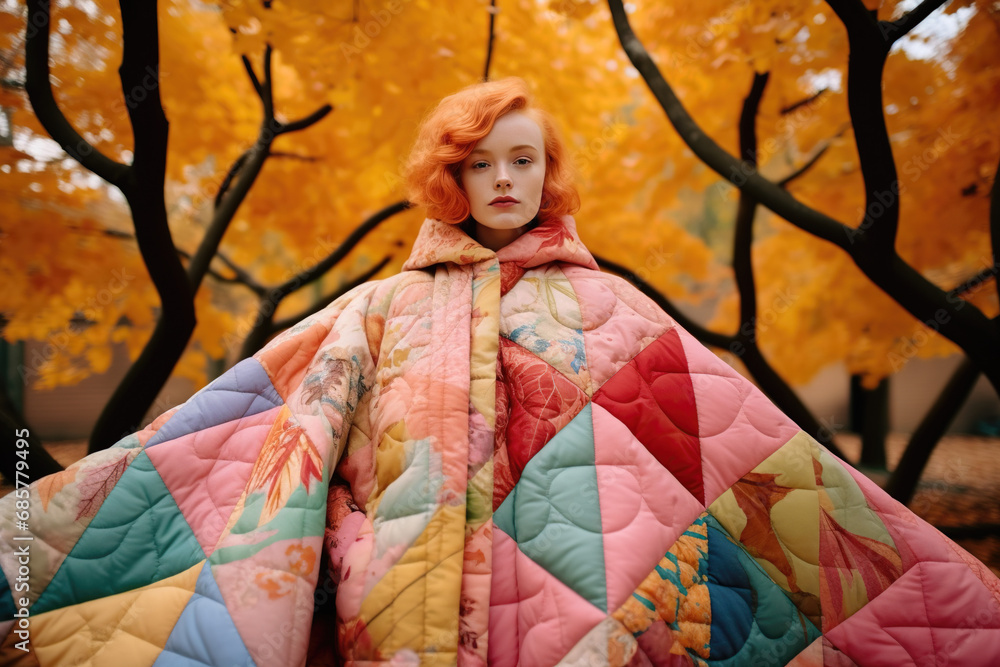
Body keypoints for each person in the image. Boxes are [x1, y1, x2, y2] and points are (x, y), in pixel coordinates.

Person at [1, 77, 999, 667]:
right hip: (386, 604)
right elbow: (254, 422)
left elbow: (744, 455)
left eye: (523, 160)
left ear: (547, 172)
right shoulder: (379, 308)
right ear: (452, 176)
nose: (506, 180)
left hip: (561, 615)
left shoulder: (613, 307)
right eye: (482, 163)